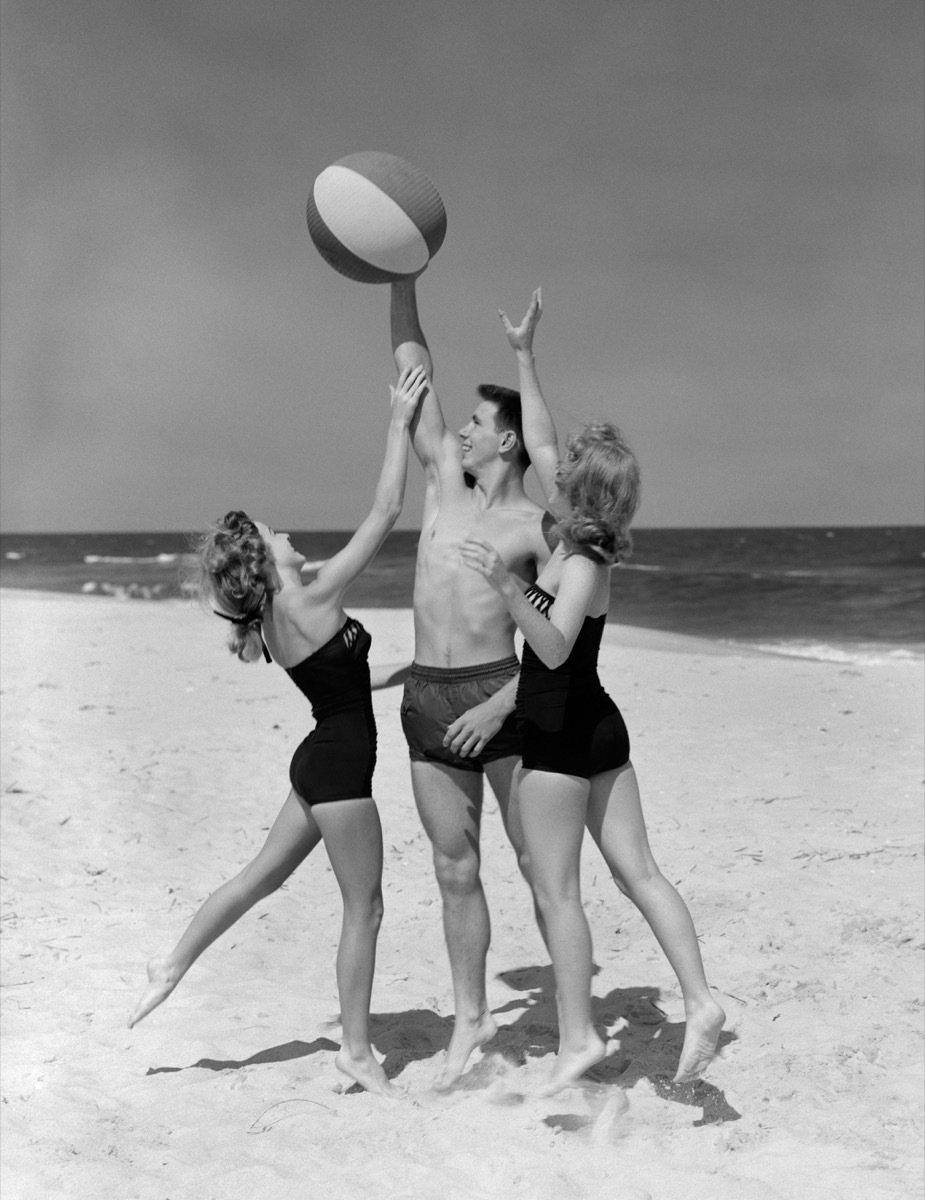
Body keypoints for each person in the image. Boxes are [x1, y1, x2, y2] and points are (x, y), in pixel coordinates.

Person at [127, 365, 429, 1097]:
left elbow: (354, 680)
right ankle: (356, 1052)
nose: (287, 531)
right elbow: (387, 509)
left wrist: (426, 670)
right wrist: (397, 422)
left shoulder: (278, 619)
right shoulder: (309, 599)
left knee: (256, 880)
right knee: (366, 906)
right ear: (267, 561)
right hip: (338, 770)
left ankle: (169, 965)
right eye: (275, 532)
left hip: (319, 761)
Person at [461, 291, 725, 1094]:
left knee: (558, 890)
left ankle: (578, 1039)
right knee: (638, 872)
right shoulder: (580, 533)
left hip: (560, 730)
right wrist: (524, 353)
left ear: (578, 493)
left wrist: (508, 589)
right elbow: (536, 435)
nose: (550, 471)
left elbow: (552, 644)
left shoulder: (580, 562)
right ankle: (701, 1001)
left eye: (562, 473)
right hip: (598, 725)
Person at [388, 278, 553, 1087]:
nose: (459, 429)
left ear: (508, 446)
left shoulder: (531, 529)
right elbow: (415, 371)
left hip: (500, 694)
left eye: (477, 425)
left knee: (535, 861)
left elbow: (565, 645)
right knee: (453, 869)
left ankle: (578, 1023)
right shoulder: (442, 487)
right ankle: (471, 1018)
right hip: (426, 697)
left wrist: (502, 702)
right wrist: (401, 280)